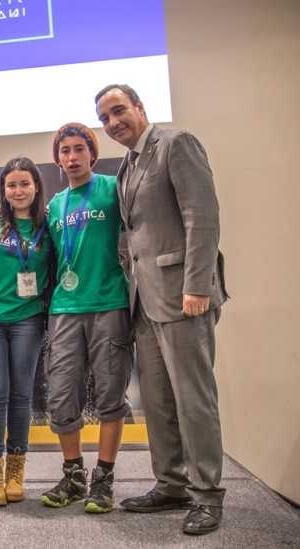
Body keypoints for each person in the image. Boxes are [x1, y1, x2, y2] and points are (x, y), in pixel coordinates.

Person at [95, 84, 227, 535]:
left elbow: (202, 217)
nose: (113, 123)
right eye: (106, 118)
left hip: (183, 296)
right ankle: (171, 483)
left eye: (118, 111)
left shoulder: (176, 144)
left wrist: (197, 285)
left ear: (139, 107)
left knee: (194, 400)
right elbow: (133, 231)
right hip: (143, 302)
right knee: (157, 400)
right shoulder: (126, 167)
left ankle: (207, 495)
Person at [40, 123, 132, 514]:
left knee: (111, 394)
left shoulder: (113, 189)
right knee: (61, 396)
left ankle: (104, 479)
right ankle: (74, 475)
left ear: (91, 153)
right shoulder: (55, 206)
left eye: (79, 149)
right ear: (58, 158)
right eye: (65, 151)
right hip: (64, 309)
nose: (72, 157)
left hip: (109, 304)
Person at [0, 157, 51, 507]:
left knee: (21, 395)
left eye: (25, 184)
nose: (18, 191)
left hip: (28, 319)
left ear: (36, 187)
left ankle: (16, 472)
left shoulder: (48, 226)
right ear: (3, 189)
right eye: (11, 185)